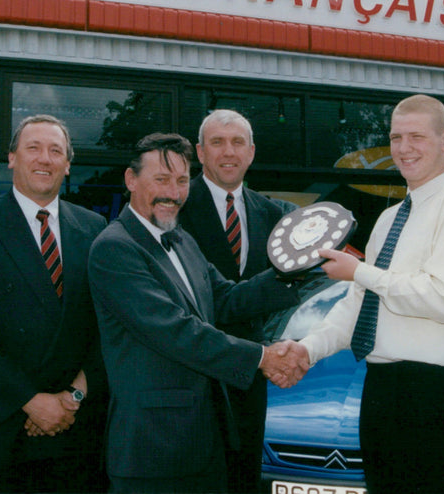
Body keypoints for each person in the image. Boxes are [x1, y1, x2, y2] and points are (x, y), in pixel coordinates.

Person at [297, 94, 444, 494]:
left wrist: (362, 272)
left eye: (417, 137)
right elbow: (358, 304)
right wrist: (308, 349)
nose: (404, 149)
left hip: (439, 399)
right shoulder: (389, 218)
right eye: (396, 137)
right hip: (382, 391)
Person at [87, 132, 308, 493]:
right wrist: (263, 357)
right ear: (130, 180)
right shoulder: (115, 247)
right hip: (153, 452)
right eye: (161, 179)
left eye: (180, 181)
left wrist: (292, 267)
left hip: (204, 444)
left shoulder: (182, 238)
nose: (173, 193)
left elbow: (226, 298)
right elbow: (176, 331)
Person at [0, 114, 109, 493]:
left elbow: (107, 327)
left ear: (67, 166)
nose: (44, 159)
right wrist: (30, 401)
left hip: (74, 438)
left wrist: (73, 397)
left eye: (55, 151)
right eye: (33, 148)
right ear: (12, 157)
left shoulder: (95, 229)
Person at [178, 109, 286, 493]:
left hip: (249, 382)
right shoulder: (174, 207)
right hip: (192, 379)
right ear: (200, 152)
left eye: (237, 142)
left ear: (251, 152)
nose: (228, 152)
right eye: (218, 142)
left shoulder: (273, 214)